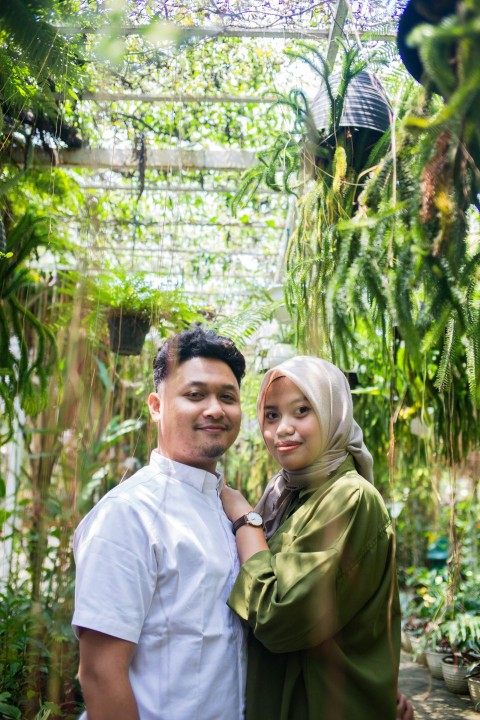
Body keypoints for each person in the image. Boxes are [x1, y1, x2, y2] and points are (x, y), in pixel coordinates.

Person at [72, 326, 248, 720]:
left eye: (227, 396)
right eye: (195, 394)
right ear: (156, 405)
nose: (215, 409)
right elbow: (99, 673)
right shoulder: (130, 514)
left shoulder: (223, 508)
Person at [221, 355, 405, 720]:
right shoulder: (287, 494)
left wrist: (247, 521)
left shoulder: (349, 498)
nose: (282, 429)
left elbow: (279, 616)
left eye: (301, 410)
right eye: (271, 415)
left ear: (332, 411)